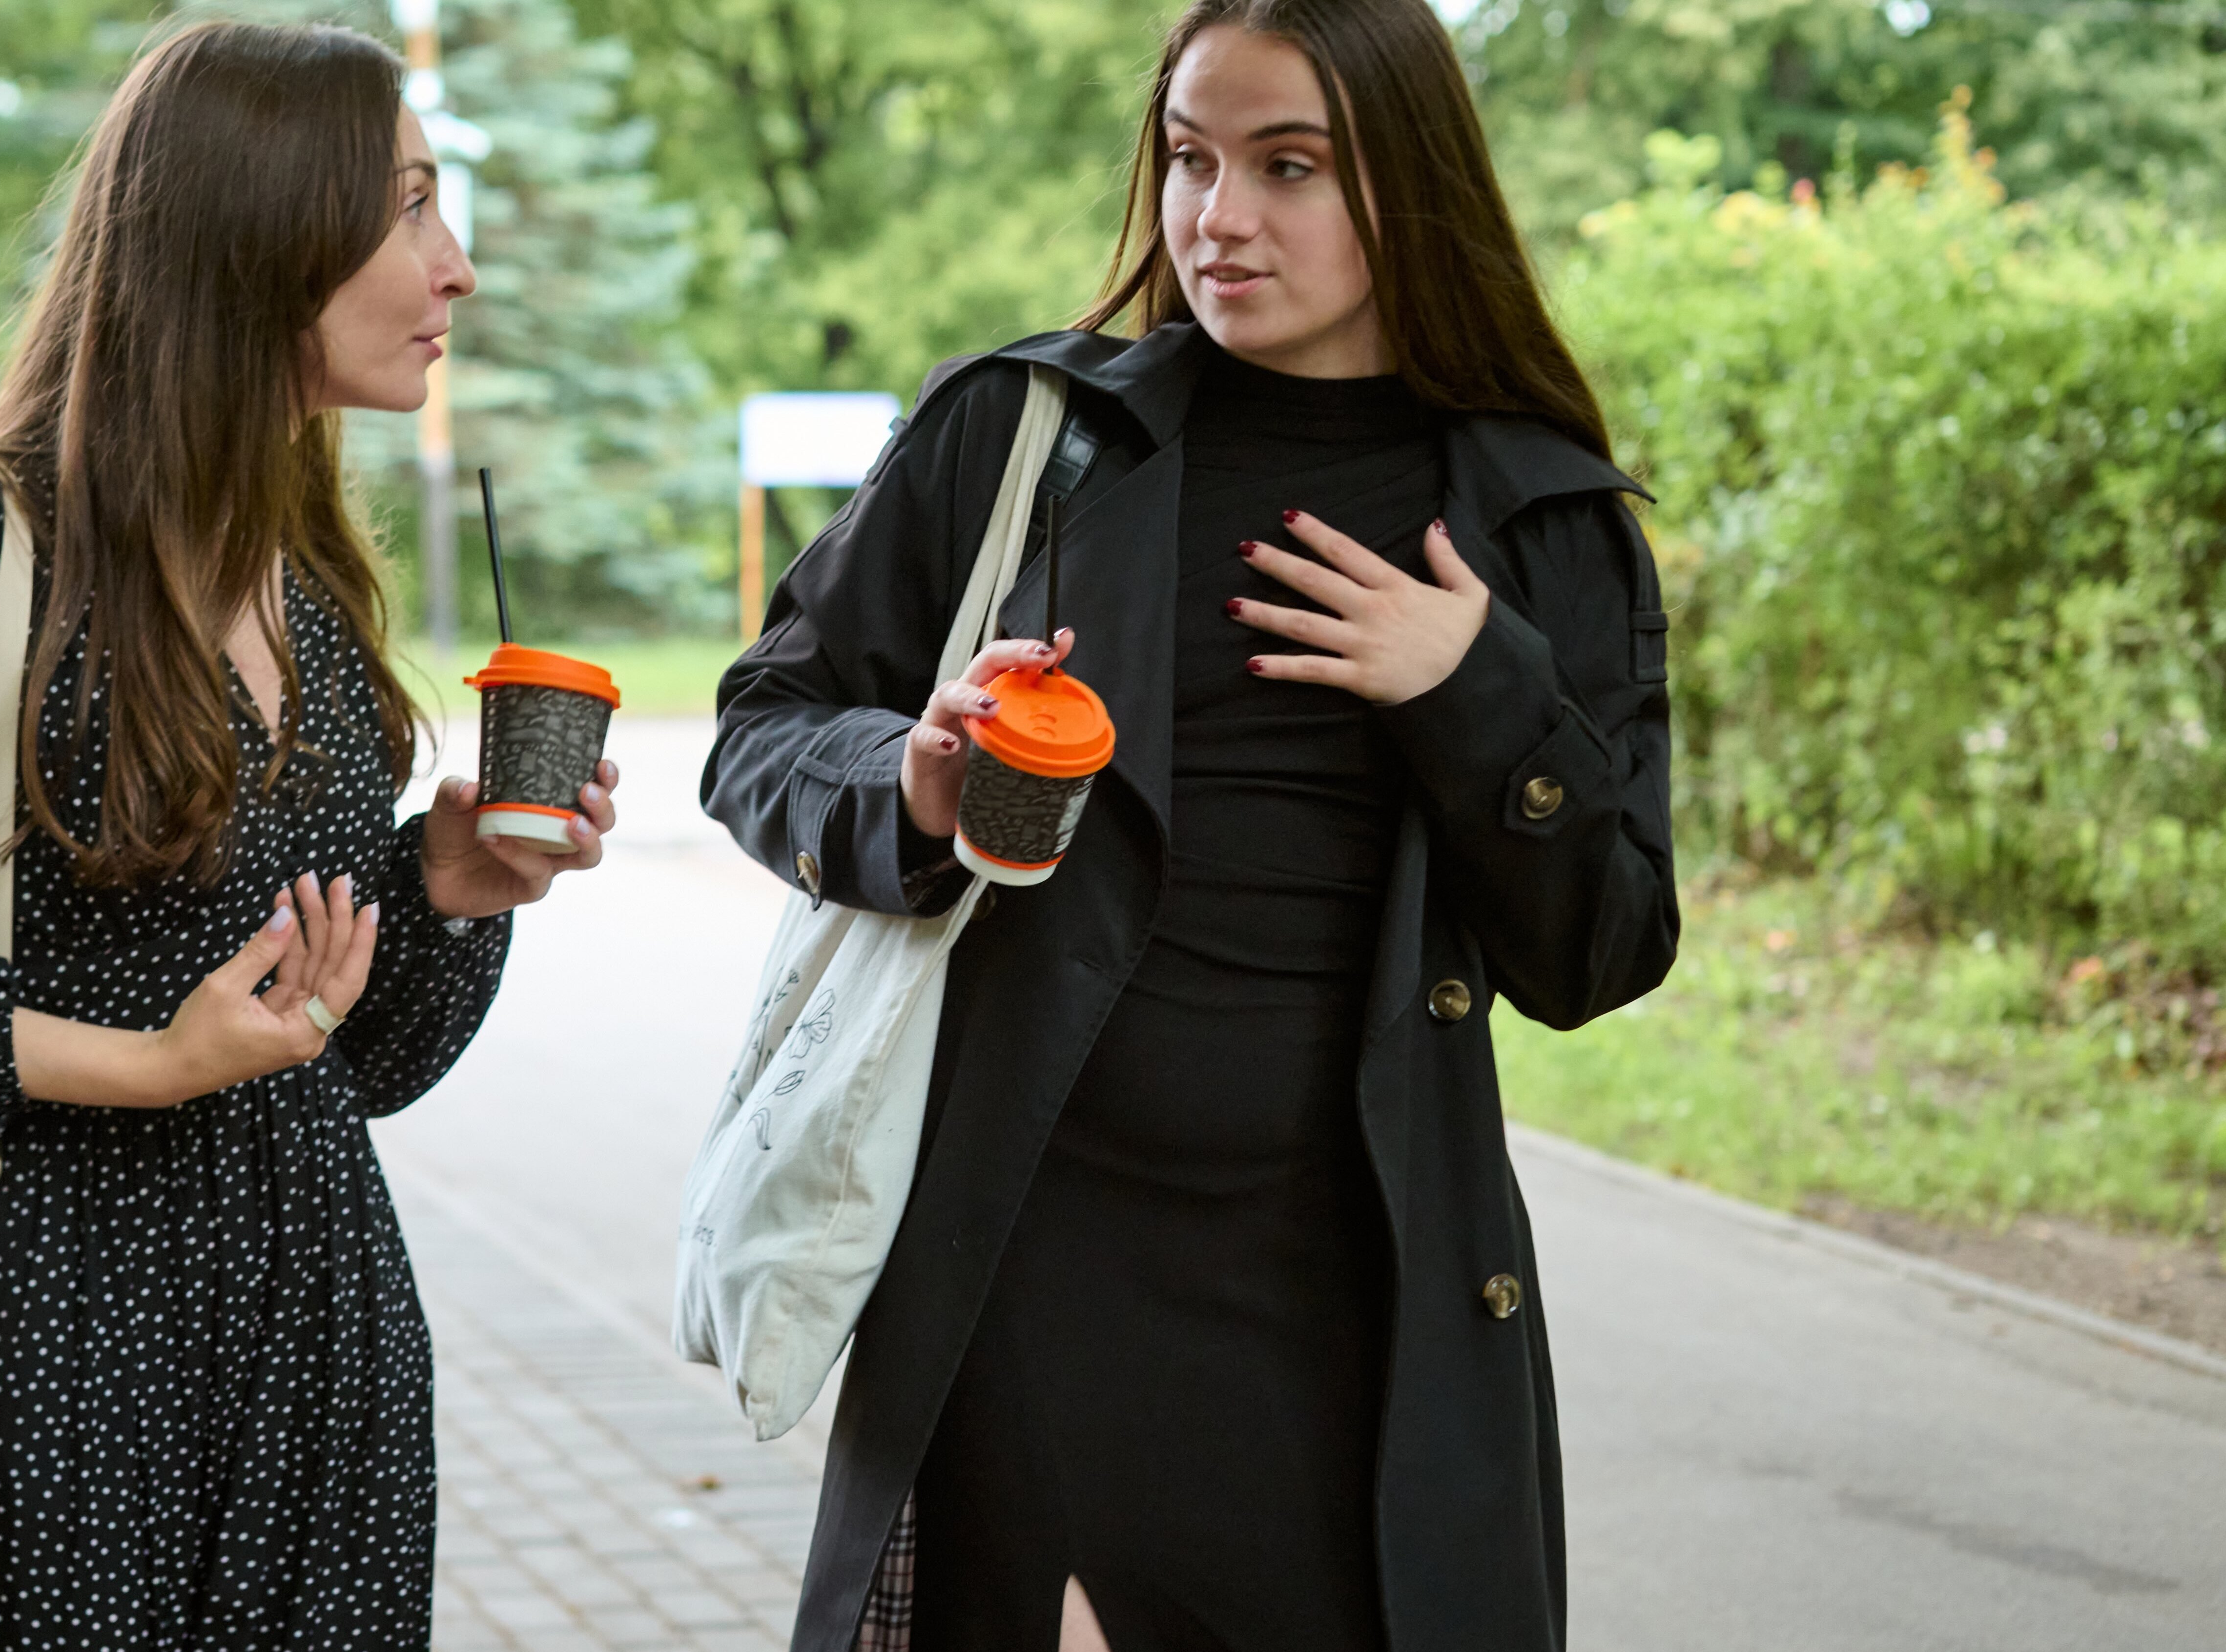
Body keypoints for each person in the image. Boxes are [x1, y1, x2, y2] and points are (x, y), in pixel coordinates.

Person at [702, 0, 1678, 1647]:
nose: (1220, 218)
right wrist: (916, 780)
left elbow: (1604, 947)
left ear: (1410, 185)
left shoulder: (1541, 517)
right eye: (1190, 157)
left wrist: (1477, 692)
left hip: (1355, 1314)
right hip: (1024, 1274)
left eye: (1288, 166)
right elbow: (765, 727)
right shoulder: (1025, 438)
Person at [0, 21, 618, 1649]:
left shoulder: (314, 594)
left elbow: (341, 1046)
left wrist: (450, 887)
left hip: (306, 1374)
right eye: (410, 204)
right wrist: (146, 1062)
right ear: (261, 229)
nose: (455, 266)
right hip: (31, 1383)